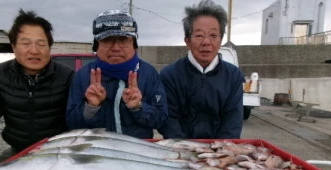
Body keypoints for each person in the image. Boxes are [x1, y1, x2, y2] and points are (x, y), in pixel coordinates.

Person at [0, 9, 74, 170]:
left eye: (41, 43)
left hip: (58, 155)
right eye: (25, 43)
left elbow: (79, 119)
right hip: (18, 152)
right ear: (14, 46)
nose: (34, 50)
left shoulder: (67, 76)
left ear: (49, 47)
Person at [66, 10, 168, 139]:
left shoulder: (149, 73)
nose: (116, 47)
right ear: (96, 45)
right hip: (98, 150)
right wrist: (91, 107)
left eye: (124, 40)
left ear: (134, 44)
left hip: (138, 152)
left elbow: (161, 119)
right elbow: (72, 125)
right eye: (107, 40)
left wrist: (138, 107)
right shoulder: (83, 76)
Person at [158, 0, 245, 139]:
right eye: (199, 35)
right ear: (187, 41)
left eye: (213, 35)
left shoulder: (233, 76)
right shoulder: (169, 75)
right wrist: (185, 150)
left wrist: (219, 153)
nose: (206, 42)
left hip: (219, 153)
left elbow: (233, 123)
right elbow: (169, 121)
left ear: (220, 40)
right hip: (179, 151)